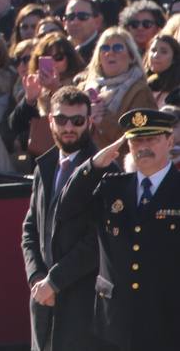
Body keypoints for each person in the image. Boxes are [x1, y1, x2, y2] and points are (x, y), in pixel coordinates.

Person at [57, 107, 180, 349]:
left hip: (166, 319)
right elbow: (66, 210)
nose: (143, 146)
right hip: (114, 322)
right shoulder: (112, 187)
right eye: (136, 140)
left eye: (151, 139)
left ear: (169, 141)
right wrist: (93, 165)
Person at [21, 86, 99, 351]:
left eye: (77, 121)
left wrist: (54, 281)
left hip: (83, 301)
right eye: (62, 119)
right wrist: (36, 278)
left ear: (89, 122)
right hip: (42, 300)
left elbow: (96, 241)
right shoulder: (45, 166)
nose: (69, 127)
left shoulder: (104, 170)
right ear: (51, 121)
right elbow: (30, 228)